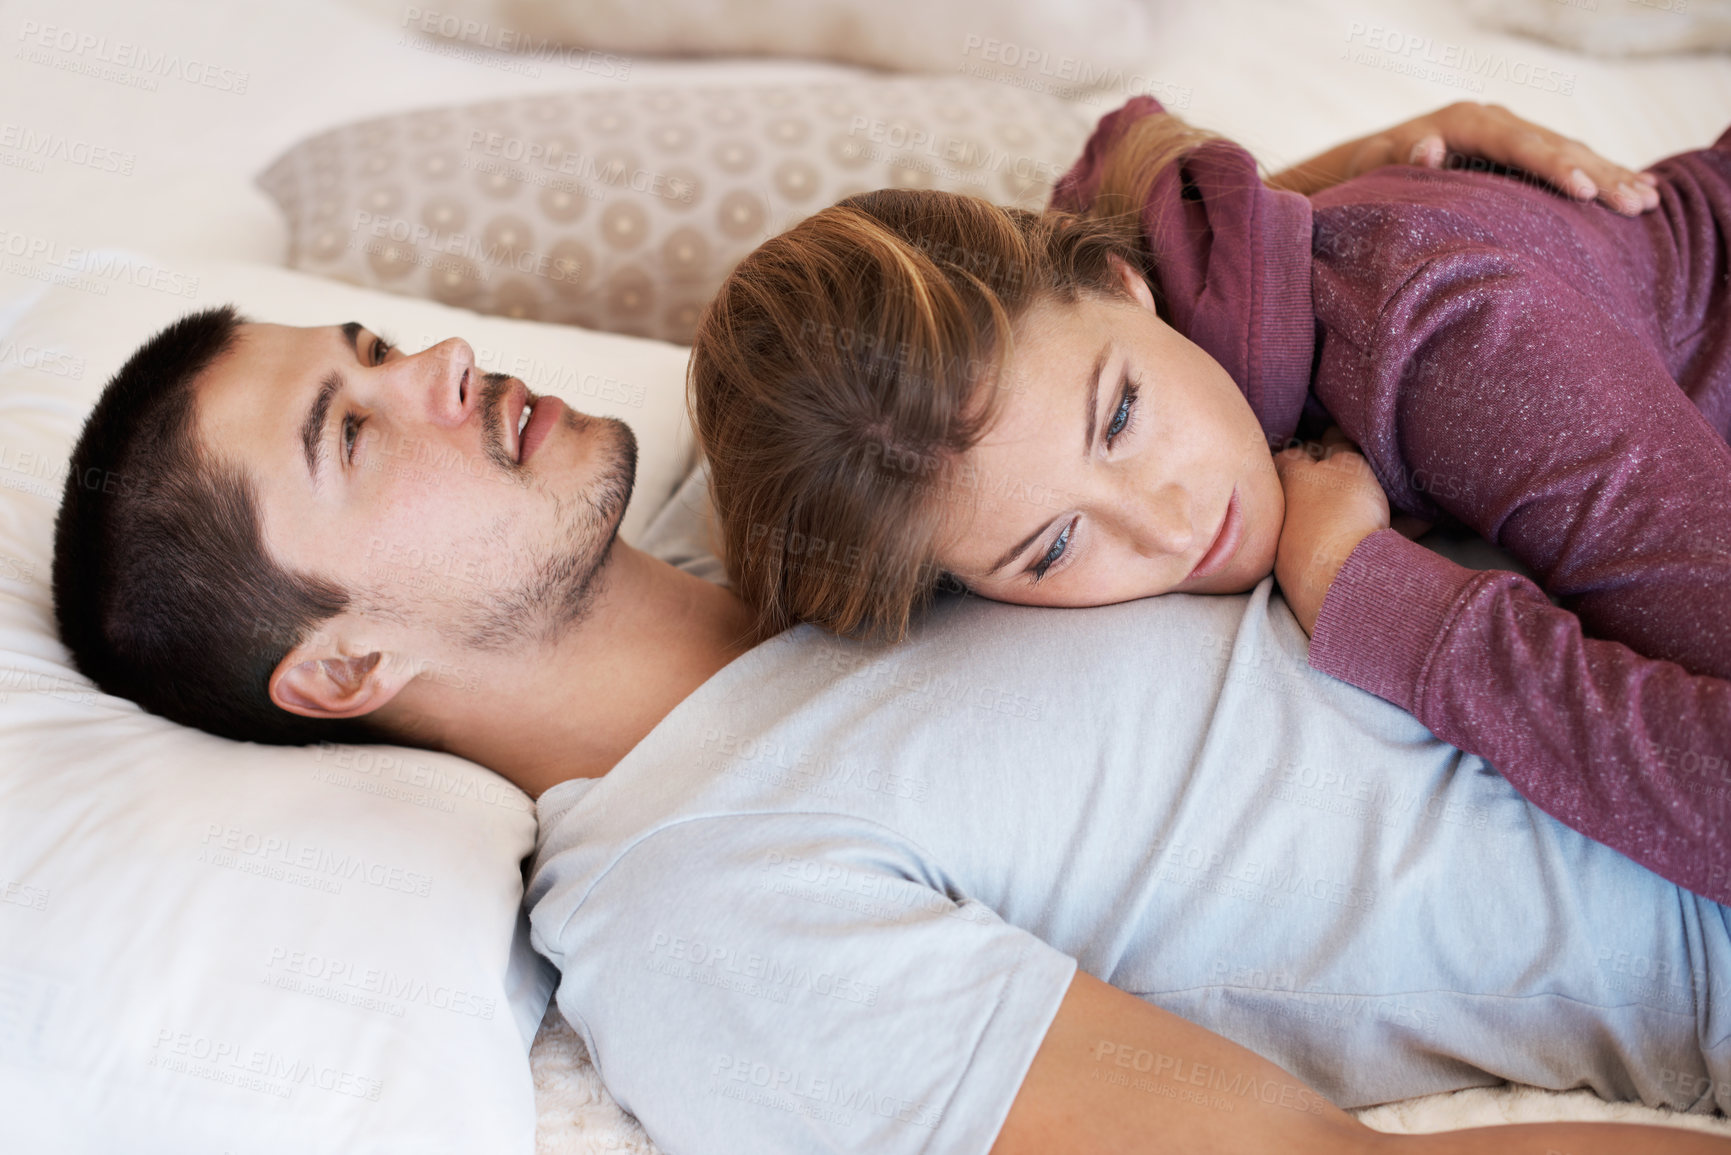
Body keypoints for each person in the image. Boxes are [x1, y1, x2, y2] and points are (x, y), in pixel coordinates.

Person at [47, 125, 1731, 1154]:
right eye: (351, 431)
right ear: (340, 670)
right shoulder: (699, 905)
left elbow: (1071, 303)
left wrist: (1384, 195)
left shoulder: (769, 486)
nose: (436, 368)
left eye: (377, 341)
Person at [686, 98, 1731, 907]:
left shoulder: (1455, 342)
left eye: (1122, 415)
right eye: (1052, 548)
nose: (1171, 522)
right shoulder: (1133, 309)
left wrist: (1367, 595)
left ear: (1120, 281)